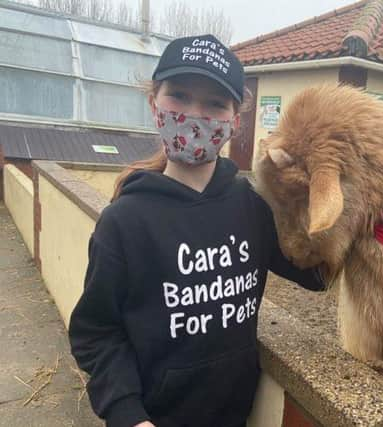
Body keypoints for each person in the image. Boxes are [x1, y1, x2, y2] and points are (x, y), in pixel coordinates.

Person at [68, 34, 325, 427]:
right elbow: (96, 332)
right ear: (154, 103)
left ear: (235, 121)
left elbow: (317, 273)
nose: (195, 114)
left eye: (215, 104)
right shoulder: (125, 221)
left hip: (234, 415)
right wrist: (127, 414)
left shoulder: (255, 207)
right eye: (180, 96)